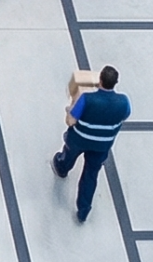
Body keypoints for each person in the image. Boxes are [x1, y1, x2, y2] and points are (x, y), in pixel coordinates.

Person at [55, 66, 131, 224]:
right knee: (91, 175)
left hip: (79, 139)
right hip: (102, 145)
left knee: (68, 154)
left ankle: (62, 168)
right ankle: (83, 210)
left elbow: (70, 121)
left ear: (100, 80)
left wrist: (70, 109)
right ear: (115, 83)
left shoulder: (86, 99)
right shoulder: (123, 102)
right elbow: (124, 118)